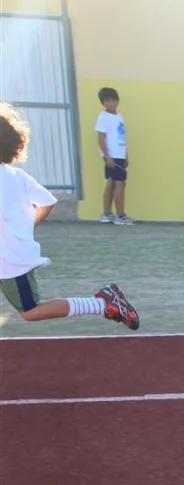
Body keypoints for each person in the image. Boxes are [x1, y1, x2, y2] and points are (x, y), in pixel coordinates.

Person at [0, 103, 139, 329]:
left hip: (10, 260)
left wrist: (21, 228)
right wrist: (25, 226)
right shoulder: (18, 176)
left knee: (30, 312)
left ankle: (103, 304)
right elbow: (48, 203)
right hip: (11, 252)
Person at [94, 86, 135, 225]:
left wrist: (126, 155)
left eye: (114, 100)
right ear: (103, 103)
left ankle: (107, 214)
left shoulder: (119, 116)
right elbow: (100, 138)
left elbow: (121, 137)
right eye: (107, 101)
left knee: (112, 183)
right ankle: (120, 215)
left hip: (120, 155)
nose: (111, 103)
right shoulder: (103, 117)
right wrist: (107, 156)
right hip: (112, 155)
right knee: (120, 184)